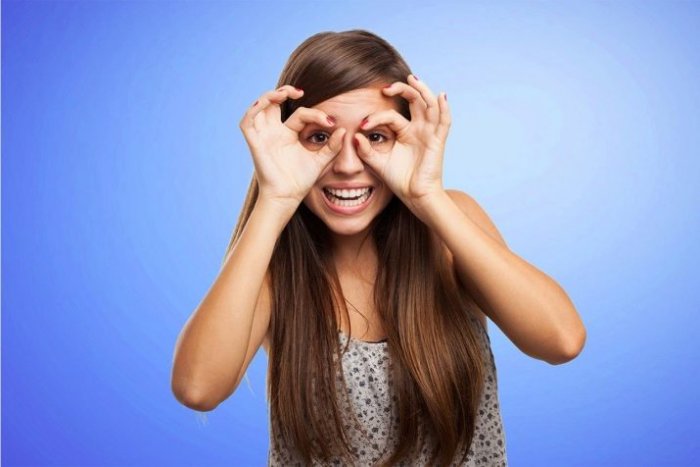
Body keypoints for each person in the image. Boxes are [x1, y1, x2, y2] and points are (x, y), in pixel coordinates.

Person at [171, 29, 586, 467]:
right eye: (319, 137)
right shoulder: (271, 266)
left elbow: (561, 341)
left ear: (405, 137)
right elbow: (198, 388)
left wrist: (427, 195)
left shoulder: (450, 225)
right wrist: (274, 199)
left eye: (375, 137)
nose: (348, 165)